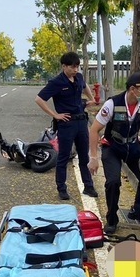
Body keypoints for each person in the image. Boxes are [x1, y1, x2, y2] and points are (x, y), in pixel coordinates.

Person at [88, 72, 140, 235]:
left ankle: (138, 212)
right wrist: (93, 157)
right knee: (113, 183)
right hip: (112, 146)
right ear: (133, 89)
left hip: (133, 146)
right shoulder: (112, 104)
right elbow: (94, 129)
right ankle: (112, 219)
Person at [35, 52, 98, 201]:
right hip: (66, 123)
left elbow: (85, 86)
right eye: (72, 67)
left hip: (81, 121)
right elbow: (39, 99)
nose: (75, 70)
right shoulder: (56, 82)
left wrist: (91, 99)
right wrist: (55, 115)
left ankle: (88, 186)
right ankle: (62, 188)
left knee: (84, 156)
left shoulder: (79, 77)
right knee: (63, 157)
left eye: (77, 67)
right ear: (64, 66)